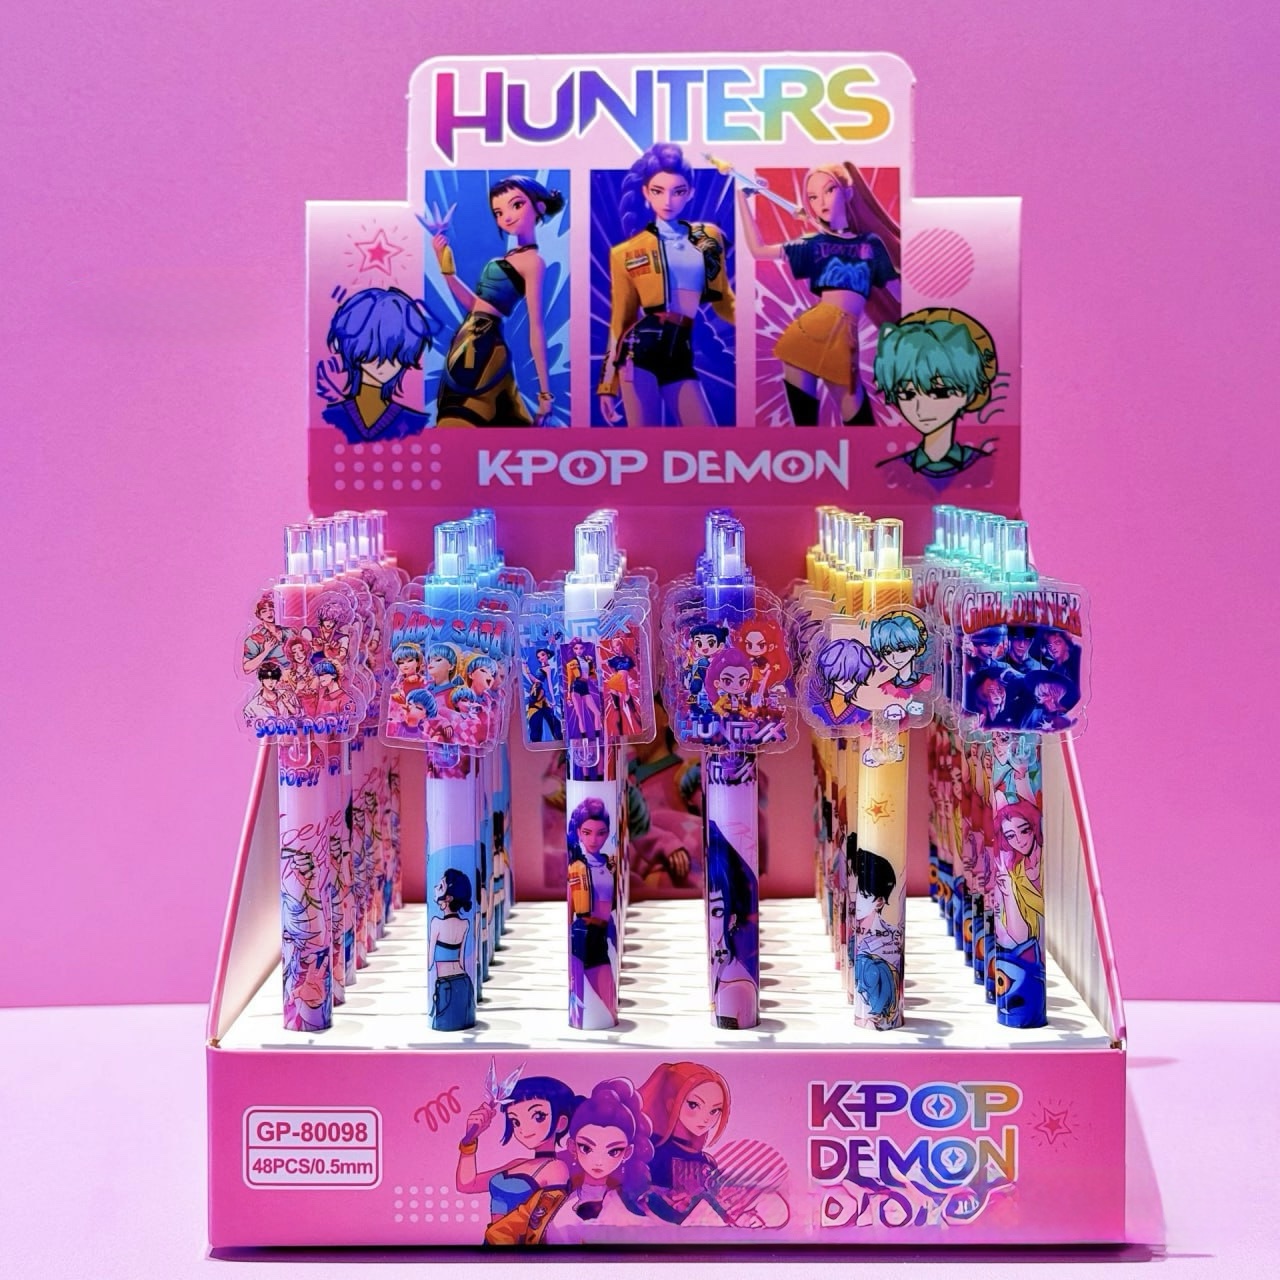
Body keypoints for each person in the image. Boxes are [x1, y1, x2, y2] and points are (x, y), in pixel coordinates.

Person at [736, 163, 900, 425]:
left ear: (848, 192)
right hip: (805, 336)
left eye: (829, 190)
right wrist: (742, 200)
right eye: (813, 197)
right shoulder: (814, 243)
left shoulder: (870, 243)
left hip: (844, 340)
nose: (821, 202)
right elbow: (758, 250)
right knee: (806, 429)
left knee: (860, 425)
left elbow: (897, 291)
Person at [598, 143, 735, 426]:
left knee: (707, 440)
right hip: (638, 352)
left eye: (678, 191)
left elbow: (725, 303)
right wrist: (607, 385)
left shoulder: (708, 237)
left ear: (691, 192)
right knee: (644, 444)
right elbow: (620, 320)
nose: (668, 201)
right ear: (645, 192)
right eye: (658, 191)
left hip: (680, 353)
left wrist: (758, 329)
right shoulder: (626, 252)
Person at [431, 176, 563, 426]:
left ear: (539, 207)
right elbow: (474, 305)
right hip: (470, 335)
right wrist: (443, 261)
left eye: (517, 205)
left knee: (460, 412)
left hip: (483, 341)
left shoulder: (533, 263)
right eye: (499, 212)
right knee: (509, 420)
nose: (507, 217)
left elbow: (536, 326)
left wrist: (545, 394)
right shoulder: (511, 257)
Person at [485, 1078, 655, 1244]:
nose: (598, 1161)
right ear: (572, 1146)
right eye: (586, 1148)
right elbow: (504, 1230)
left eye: (613, 1151)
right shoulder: (555, 1195)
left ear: (627, 1152)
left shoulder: (629, 1205)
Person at [874, 309, 999, 477]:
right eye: (907, 395)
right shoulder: (890, 471)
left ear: (968, 396)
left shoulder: (988, 467)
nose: (920, 408)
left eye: (940, 392)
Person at [456, 1075, 582, 1224]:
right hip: (495, 1237)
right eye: (516, 1121)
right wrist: (470, 1139)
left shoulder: (556, 1168)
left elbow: (541, 1225)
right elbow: (467, 1184)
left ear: (561, 1123)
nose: (524, 1129)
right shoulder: (517, 1164)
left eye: (538, 1116)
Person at [321, 287, 434, 442]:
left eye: (397, 355)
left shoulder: (415, 424)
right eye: (374, 352)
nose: (385, 363)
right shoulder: (330, 419)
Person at [566, 798, 617, 1026]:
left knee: (609, 1001)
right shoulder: (576, 867)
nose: (594, 840)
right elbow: (570, 907)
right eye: (587, 833)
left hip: (601, 937)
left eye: (600, 833)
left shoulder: (610, 865)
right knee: (579, 1004)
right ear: (579, 832)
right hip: (581, 936)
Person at [705, 821, 759, 1030]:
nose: (711, 922)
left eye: (718, 912)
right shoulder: (718, 968)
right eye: (709, 910)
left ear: (732, 918)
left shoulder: (735, 986)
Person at [429, 867, 474, 1030]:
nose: (436, 888)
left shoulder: (436, 923)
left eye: (440, 886)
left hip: (445, 985)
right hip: (464, 982)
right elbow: (462, 961)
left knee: (443, 1023)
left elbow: (430, 962)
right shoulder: (465, 924)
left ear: (448, 898)